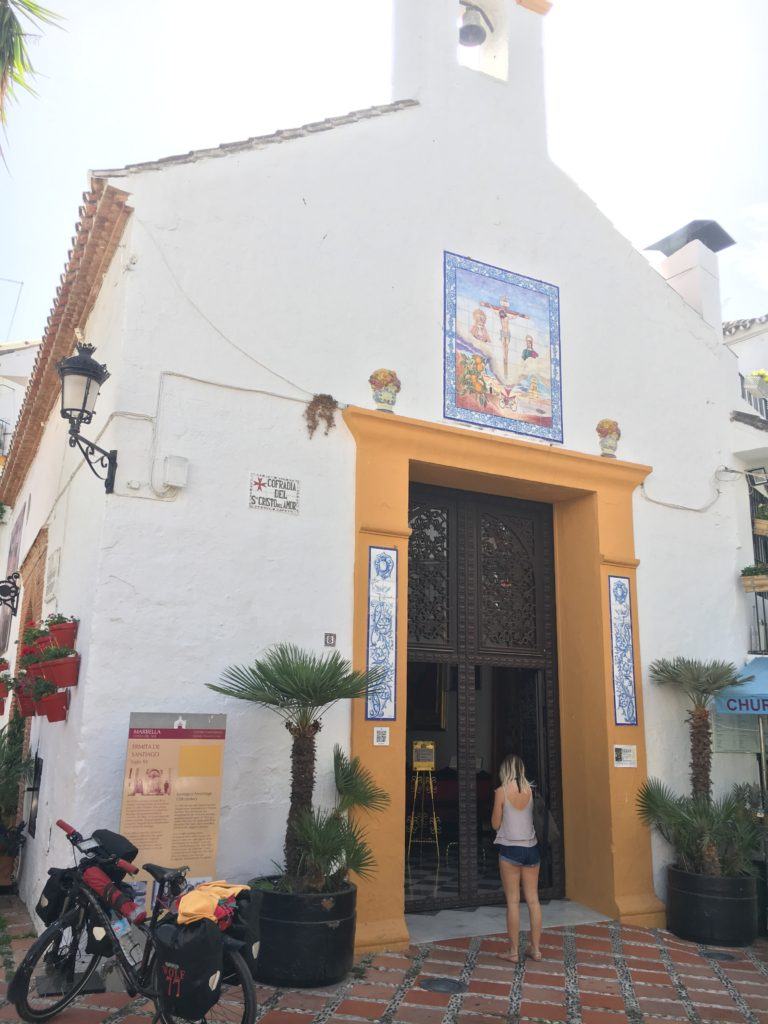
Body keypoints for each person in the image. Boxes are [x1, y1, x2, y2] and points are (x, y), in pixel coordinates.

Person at [491, 754, 542, 963]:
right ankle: (535, 949)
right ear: (521, 769)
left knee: (513, 901)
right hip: (532, 848)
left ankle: (513, 951)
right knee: (533, 900)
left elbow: (495, 824)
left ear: (505, 770)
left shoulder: (501, 791)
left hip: (510, 849)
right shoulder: (531, 791)